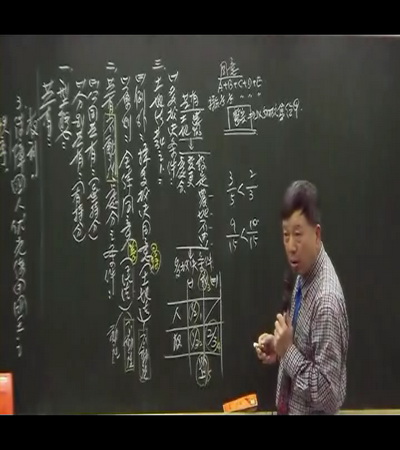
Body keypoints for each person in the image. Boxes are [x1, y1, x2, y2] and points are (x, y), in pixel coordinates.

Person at [255, 180, 349, 415]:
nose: (291, 246)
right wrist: (279, 347)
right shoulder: (304, 272)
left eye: (298, 234)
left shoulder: (326, 302)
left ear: (316, 234)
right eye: (285, 235)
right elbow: (306, 350)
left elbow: (329, 397)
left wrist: (288, 352)